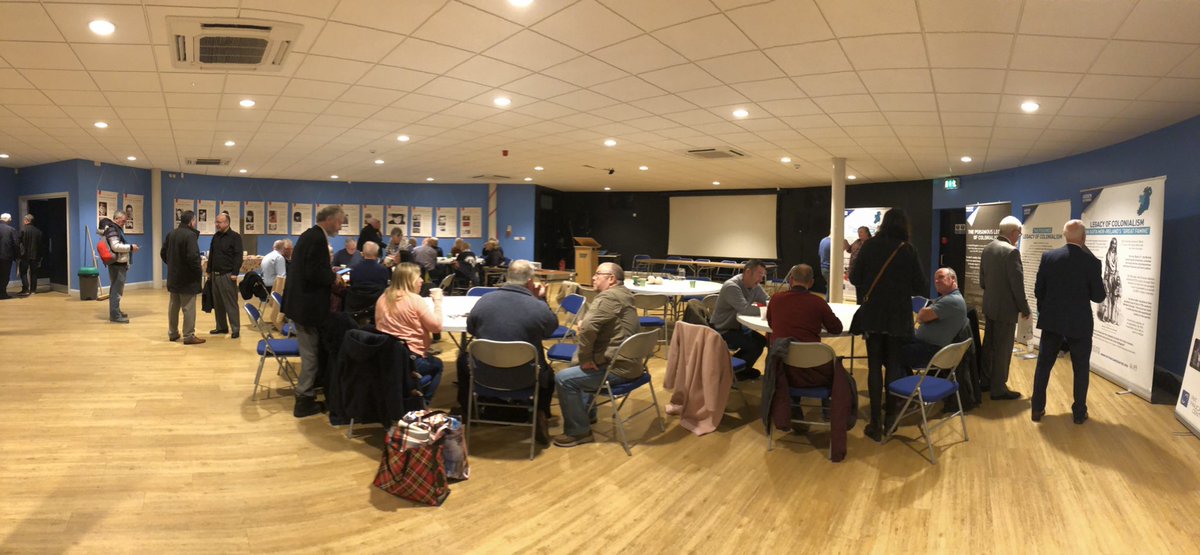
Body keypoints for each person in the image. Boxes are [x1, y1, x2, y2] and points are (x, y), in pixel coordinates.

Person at [849, 208, 926, 441]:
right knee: (893, 366)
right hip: (897, 317)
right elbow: (920, 286)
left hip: (873, 314)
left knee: (874, 366)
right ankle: (891, 418)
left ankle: (875, 423)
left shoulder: (869, 246)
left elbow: (855, 278)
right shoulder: (907, 249)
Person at [464, 260, 559, 442]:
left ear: (508, 277)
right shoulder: (537, 306)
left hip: (484, 375)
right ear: (530, 282)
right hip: (524, 376)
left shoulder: (484, 300)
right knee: (548, 374)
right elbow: (550, 330)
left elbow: (471, 329)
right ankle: (541, 413)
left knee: (463, 361)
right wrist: (541, 299)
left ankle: (469, 411)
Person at [765, 263, 851, 462]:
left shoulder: (776, 300)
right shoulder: (817, 303)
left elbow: (771, 324)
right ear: (811, 283)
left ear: (791, 280)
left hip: (782, 372)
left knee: (794, 358)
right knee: (839, 373)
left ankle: (794, 411)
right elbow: (836, 328)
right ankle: (828, 412)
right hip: (814, 374)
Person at [553, 262, 641, 448]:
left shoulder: (608, 298)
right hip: (632, 363)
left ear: (611, 279)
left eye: (598, 274)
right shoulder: (625, 294)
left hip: (618, 367)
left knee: (563, 378)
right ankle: (587, 414)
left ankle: (579, 432)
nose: (593, 277)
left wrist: (586, 359)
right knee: (580, 362)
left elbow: (587, 329)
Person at [1031, 220, 1106, 425]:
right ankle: (1079, 413)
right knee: (1080, 368)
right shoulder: (1092, 262)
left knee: (1044, 365)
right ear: (1083, 238)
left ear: (1064, 235)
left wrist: (1048, 309)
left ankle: (1037, 408)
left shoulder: (1049, 257)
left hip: (1052, 321)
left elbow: (1038, 291)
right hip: (1079, 323)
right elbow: (1098, 297)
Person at [283, 205, 343, 418]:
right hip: (306, 307)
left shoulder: (310, 235)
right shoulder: (317, 238)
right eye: (340, 222)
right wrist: (333, 277)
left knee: (311, 351)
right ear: (329, 219)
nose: (340, 226)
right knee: (310, 355)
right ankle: (304, 399)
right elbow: (314, 273)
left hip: (300, 305)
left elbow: (310, 268)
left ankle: (309, 389)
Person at [375, 262, 444, 406]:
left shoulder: (382, 298)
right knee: (437, 365)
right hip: (411, 360)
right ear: (409, 280)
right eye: (418, 277)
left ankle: (406, 394)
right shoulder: (414, 300)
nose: (422, 280)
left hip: (386, 358)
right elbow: (437, 327)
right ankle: (422, 404)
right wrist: (437, 302)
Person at [979, 215, 1030, 401]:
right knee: (1003, 349)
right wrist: (1025, 308)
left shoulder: (988, 248)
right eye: (1019, 233)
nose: (1019, 237)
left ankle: (985, 381)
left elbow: (982, 281)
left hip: (990, 306)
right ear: (1014, 232)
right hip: (1006, 310)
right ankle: (998, 388)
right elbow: (1017, 286)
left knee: (989, 346)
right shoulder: (1011, 252)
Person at [710, 259, 770, 379]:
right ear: (748, 272)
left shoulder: (755, 286)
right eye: (759, 274)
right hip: (723, 329)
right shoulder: (732, 286)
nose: (761, 279)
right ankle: (736, 373)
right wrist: (766, 310)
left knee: (761, 341)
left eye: (763, 275)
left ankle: (737, 369)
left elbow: (768, 300)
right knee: (753, 345)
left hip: (738, 328)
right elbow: (745, 309)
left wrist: (774, 306)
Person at [904, 268, 968, 371]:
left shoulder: (951, 301)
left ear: (952, 279)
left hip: (933, 351)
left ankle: (904, 379)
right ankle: (906, 377)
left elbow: (921, 317)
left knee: (893, 353)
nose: (937, 281)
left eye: (941, 277)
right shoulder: (947, 298)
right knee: (894, 342)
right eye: (935, 279)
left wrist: (924, 312)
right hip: (927, 345)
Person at [161, 210, 204, 345]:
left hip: (174, 276)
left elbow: (163, 253)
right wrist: (198, 272)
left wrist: (173, 264)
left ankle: (173, 333)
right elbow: (193, 257)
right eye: (195, 220)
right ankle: (189, 335)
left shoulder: (171, 234)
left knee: (174, 306)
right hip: (187, 278)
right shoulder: (190, 235)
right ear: (191, 221)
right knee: (188, 307)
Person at [207, 212, 243, 338]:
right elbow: (212, 254)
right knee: (218, 304)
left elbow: (238, 256)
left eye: (219, 222)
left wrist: (235, 273)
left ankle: (235, 329)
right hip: (215, 274)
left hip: (227, 275)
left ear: (227, 223)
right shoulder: (216, 236)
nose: (217, 224)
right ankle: (221, 327)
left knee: (231, 303)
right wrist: (209, 270)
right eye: (216, 222)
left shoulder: (235, 237)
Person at [98, 211, 139, 322]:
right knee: (116, 290)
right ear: (116, 219)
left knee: (116, 289)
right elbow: (115, 246)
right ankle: (115, 315)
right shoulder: (113, 229)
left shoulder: (115, 229)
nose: (124, 223)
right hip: (117, 264)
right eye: (123, 220)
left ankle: (116, 311)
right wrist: (131, 247)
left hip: (117, 264)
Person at [18, 214, 44, 295]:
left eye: (24, 220)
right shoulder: (38, 231)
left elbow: (18, 242)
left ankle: (25, 289)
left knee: (23, 272)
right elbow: (40, 246)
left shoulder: (22, 230)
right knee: (34, 273)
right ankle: (33, 290)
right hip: (35, 256)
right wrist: (40, 257)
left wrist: (18, 254)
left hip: (24, 255)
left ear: (26, 221)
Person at [0, 213, 19, 300]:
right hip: (6, 257)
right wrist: (17, 256)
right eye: (10, 219)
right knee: (4, 276)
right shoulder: (11, 230)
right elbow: (16, 244)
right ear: (8, 220)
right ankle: (2, 294)